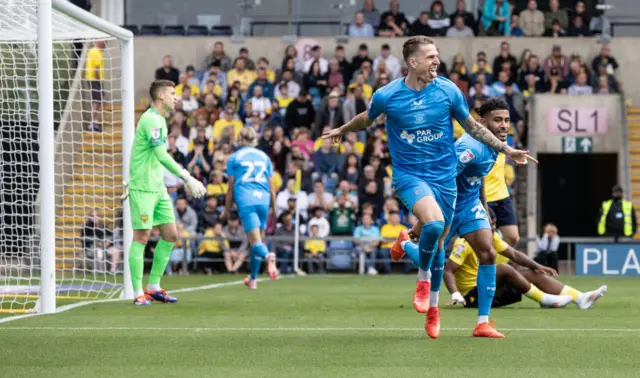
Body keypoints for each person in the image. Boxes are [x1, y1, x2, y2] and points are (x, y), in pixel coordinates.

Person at [323, 37, 533, 338]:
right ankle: (422, 282)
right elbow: (367, 119)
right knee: (433, 224)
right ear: (413, 62)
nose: (437, 61)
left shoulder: (448, 90)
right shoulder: (388, 95)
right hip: (410, 176)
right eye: (431, 56)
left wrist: (506, 149)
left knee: (436, 248)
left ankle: (433, 307)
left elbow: (472, 127)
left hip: (445, 179)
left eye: (437, 56)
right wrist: (343, 129)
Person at [392, 98, 536, 339]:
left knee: (488, 252)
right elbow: (444, 177)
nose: (503, 125)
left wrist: (484, 207)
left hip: (469, 204)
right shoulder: (470, 147)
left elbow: (478, 177)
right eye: (497, 120)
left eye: (507, 120)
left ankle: (483, 323)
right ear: (481, 121)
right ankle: (406, 242)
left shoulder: (497, 146)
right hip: (447, 202)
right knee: (434, 256)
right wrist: (425, 218)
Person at [123, 80, 207, 306]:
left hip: (157, 187)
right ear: (160, 97)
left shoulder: (160, 119)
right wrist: (187, 177)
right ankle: (137, 292)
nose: (176, 97)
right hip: (142, 187)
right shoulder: (151, 119)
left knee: (171, 235)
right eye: (172, 93)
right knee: (141, 237)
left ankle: (153, 287)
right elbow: (160, 155)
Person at [445, 209, 607, 310]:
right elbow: (448, 271)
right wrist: (456, 294)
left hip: (490, 289)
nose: (493, 228)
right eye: (490, 224)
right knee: (503, 269)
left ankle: (581, 298)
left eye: (494, 224)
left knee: (533, 273)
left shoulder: (491, 236)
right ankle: (544, 299)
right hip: (473, 297)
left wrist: (538, 266)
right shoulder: (464, 242)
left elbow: (515, 255)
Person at [223, 127, 278, 289]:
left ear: (240, 140)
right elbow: (272, 186)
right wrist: (274, 208)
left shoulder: (234, 158)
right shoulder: (264, 157)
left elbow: (230, 187)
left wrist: (226, 210)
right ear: (255, 139)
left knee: (255, 242)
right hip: (263, 199)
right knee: (257, 240)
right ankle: (253, 279)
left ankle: (269, 256)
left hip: (246, 199)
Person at [85, 40, 105, 132]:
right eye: (105, 42)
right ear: (100, 42)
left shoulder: (91, 51)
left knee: (99, 101)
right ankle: (91, 124)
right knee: (97, 102)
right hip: (95, 80)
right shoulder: (97, 52)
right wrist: (98, 79)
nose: (106, 45)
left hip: (91, 79)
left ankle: (94, 122)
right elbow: (96, 69)